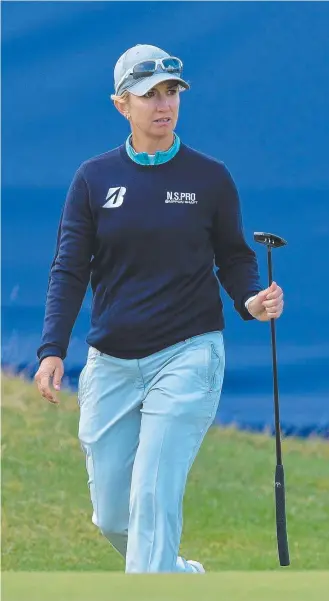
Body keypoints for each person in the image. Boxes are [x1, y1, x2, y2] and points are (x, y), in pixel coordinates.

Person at [35, 44, 284, 573]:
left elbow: (234, 259)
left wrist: (251, 300)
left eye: (171, 92)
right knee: (112, 516)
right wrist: (52, 348)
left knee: (151, 495)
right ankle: (175, 576)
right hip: (113, 361)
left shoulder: (209, 178)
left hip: (188, 353)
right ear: (122, 104)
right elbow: (69, 269)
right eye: (150, 94)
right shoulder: (93, 179)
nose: (163, 103)